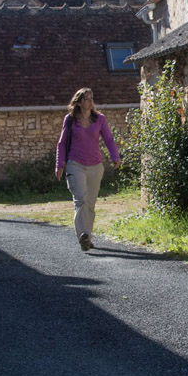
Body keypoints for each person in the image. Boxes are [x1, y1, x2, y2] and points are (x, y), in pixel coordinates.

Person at [55, 87, 121, 252]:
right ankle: (82, 235)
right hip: (75, 165)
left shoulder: (100, 119)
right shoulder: (70, 120)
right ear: (78, 102)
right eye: (87, 99)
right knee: (81, 200)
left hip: (95, 166)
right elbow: (62, 143)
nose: (91, 102)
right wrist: (59, 164)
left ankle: (88, 236)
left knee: (90, 204)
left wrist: (115, 156)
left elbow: (108, 139)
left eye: (92, 98)